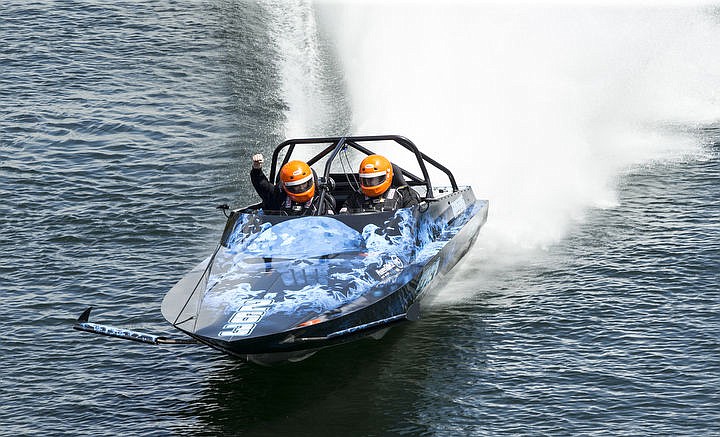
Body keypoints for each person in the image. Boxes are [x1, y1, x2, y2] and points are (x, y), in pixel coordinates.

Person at [250, 153, 335, 215]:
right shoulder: (279, 196)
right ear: (286, 186)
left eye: (304, 184)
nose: (301, 188)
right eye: (296, 187)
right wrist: (257, 169)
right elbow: (262, 186)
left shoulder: (320, 201)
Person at [341, 154, 420, 212]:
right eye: (367, 180)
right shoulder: (355, 197)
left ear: (387, 176)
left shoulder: (404, 195)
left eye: (375, 179)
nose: (370, 183)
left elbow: (413, 220)